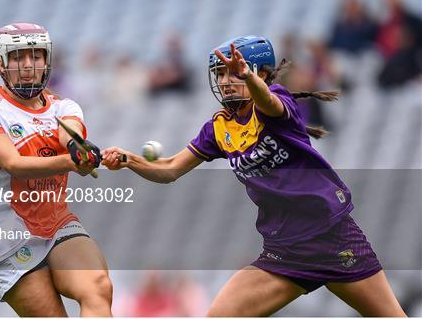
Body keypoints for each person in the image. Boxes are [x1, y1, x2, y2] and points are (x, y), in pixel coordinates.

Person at [102, 35, 406, 316]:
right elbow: (170, 170)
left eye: (234, 73)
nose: (225, 81)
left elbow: (268, 102)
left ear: (261, 74)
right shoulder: (219, 128)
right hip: (284, 253)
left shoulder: (276, 101)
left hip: (332, 237)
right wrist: (130, 160)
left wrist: (248, 78)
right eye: (220, 74)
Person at [0, 22, 112, 316]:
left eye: (36, 56)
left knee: (98, 286)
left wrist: (79, 152)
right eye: (18, 57)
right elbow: (14, 164)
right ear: (1, 64)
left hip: (57, 222)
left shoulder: (65, 107)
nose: (29, 65)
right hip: (5, 233)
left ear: (47, 61)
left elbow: (69, 137)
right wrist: (71, 163)